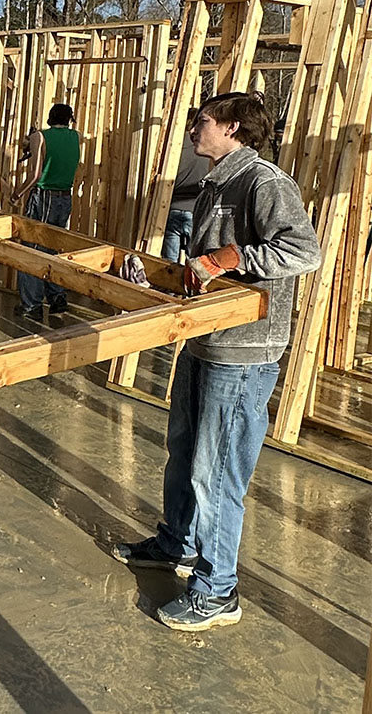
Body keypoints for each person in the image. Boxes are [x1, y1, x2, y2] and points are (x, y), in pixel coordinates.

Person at [110, 92, 321, 631]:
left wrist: (233, 258)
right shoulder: (214, 183)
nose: (193, 129)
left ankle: (217, 591)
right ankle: (174, 543)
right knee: (182, 450)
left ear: (232, 129)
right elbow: (206, 261)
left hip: (244, 351)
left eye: (202, 121)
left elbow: (304, 250)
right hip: (205, 338)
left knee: (217, 472)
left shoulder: (264, 182)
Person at [12, 103, 80, 321]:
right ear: (70, 119)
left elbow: (34, 176)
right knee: (54, 250)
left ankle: (31, 304)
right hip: (65, 198)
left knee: (31, 249)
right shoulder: (75, 137)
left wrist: (16, 194)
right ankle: (57, 298)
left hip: (44, 197)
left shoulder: (40, 137)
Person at [163, 108, 212, 262]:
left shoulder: (172, 147)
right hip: (196, 210)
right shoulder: (207, 148)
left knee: (169, 263)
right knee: (196, 261)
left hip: (171, 208)